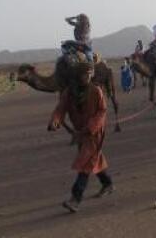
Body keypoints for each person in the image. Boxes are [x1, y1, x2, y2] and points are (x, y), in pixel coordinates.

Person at [48, 62, 114, 213]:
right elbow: (60, 109)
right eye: (86, 74)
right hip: (79, 133)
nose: (89, 76)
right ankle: (107, 183)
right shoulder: (69, 93)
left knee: (84, 163)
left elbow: (102, 112)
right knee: (93, 159)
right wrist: (55, 121)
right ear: (78, 75)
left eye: (90, 74)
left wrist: (90, 128)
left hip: (93, 132)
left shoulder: (96, 91)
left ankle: (75, 199)